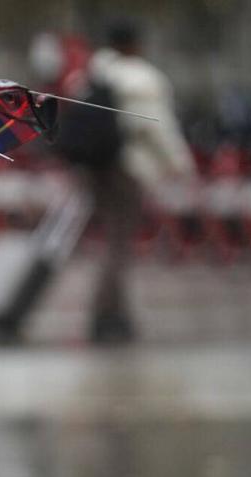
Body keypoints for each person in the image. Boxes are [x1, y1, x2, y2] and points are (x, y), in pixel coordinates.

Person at [77, 20, 195, 343]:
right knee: (119, 244)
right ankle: (108, 316)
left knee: (110, 241)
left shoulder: (93, 73)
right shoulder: (140, 78)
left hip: (94, 170)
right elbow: (156, 126)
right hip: (128, 169)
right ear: (133, 45)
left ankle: (115, 312)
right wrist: (180, 165)